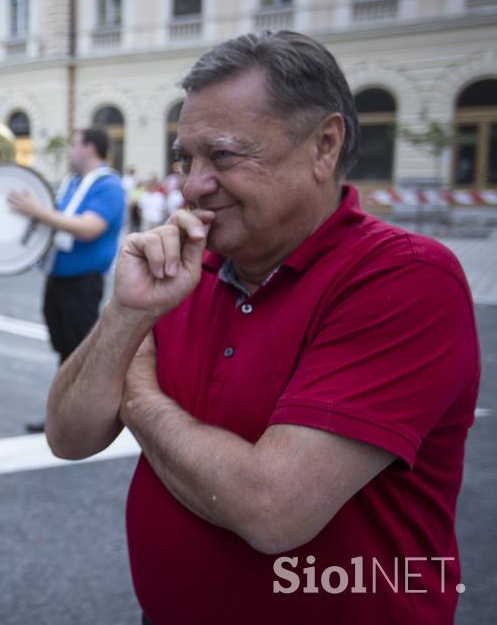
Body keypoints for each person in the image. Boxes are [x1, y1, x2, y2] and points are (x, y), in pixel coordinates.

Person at [45, 31, 479, 624]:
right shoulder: (189, 268)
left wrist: (139, 397)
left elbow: (271, 509)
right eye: (185, 159)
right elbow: (68, 437)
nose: (192, 184)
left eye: (222, 155)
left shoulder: (405, 278)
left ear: (325, 145)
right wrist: (127, 313)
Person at [9, 128, 125, 433]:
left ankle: (79, 421)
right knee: (65, 351)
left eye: (74, 145)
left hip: (82, 283)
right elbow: (58, 221)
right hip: (59, 279)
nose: (70, 151)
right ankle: (64, 415)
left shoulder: (108, 185)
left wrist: (39, 212)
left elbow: (88, 228)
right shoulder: (73, 183)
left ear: (89, 148)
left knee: (79, 354)